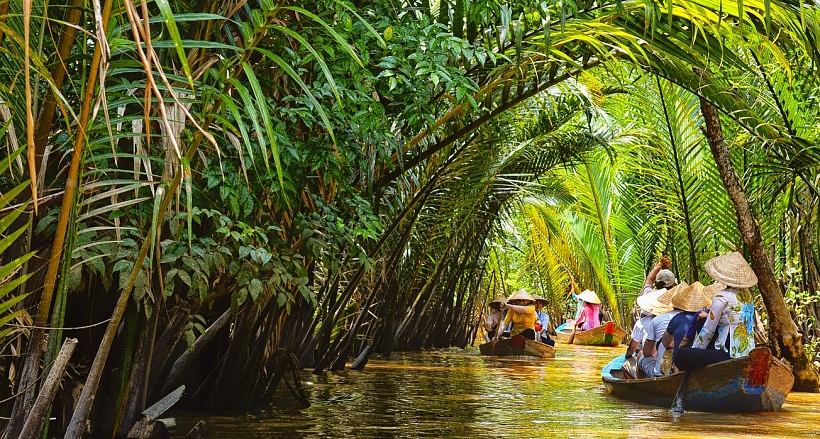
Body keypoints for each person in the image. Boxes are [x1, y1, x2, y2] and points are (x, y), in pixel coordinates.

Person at [676, 252, 758, 371]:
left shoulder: (722, 295)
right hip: (747, 351)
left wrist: (695, 350)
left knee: (681, 355)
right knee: (703, 319)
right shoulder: (747, 295)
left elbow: (708, 329)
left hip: (729, 354)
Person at [660, 281, 712, 374]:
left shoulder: (678, 318)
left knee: (667, 354)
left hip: (683, 365)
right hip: (704, 362)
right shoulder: (711, 316)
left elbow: (666, 343)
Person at [638, 284, 684, 378]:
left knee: (641, 356)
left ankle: (639, 387)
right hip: (684, 368)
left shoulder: (658, 319)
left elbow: (647, 352)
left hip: (661, 372)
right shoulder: (696, 318)